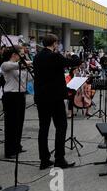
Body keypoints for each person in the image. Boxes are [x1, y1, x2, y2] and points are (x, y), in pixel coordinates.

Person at [34, 34, 81, 170]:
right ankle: (59, 159)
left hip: (41, 97)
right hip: (55, 97)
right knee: (61, 126)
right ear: (54, 43)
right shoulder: (54, 56)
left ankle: (44, 160)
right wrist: (73, 53)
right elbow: (75, 62)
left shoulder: (37, 57)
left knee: (43, 128)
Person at [1, 46, 32, 159]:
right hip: (10, 96)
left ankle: (17, 146)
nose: (23, 56)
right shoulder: (6, 64)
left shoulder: (21, 66)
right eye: (21, 54)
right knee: (11, 124)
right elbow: (14, 65)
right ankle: (9, 151)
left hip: (20, 95)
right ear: (14, 54)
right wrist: (27, 63)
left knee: (19, 122)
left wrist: (29, 70)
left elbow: (27, 79)